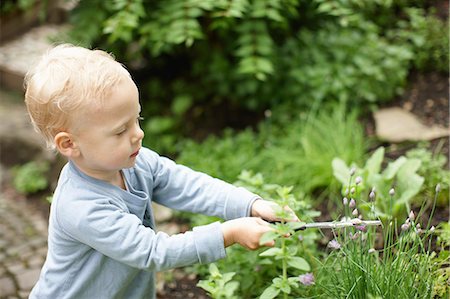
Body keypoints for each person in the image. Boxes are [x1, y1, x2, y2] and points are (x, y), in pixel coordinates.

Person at [24, 44, 298, 299]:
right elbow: (154, 251)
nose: (138, 134)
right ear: (69, 144)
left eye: (137, 119)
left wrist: (250, 205)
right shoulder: (80, 206)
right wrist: (228, 233)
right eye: (121, 130)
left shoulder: (135, 162)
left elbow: (187, 185)